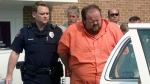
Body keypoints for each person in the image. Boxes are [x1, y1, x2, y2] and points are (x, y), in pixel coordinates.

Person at [57, 4, 123, 84]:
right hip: (80, 81)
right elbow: (62, 52)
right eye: (91, 21)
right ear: (84, 20)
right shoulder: (72, 31)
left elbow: (123, 52)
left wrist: (115, 69)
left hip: (108, 81)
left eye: (98, 20)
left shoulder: (113, 29)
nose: (95, 23)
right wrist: (70, 68)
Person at [5, 1, 62, 84]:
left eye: (47, 13)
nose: (45, 16)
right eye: (42, 14)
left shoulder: (57, 31)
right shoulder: (25, 31)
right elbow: (15, 53)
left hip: (52, 77)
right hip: (31, 77)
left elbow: (64, 52)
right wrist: (9, 74)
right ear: (34, 15)